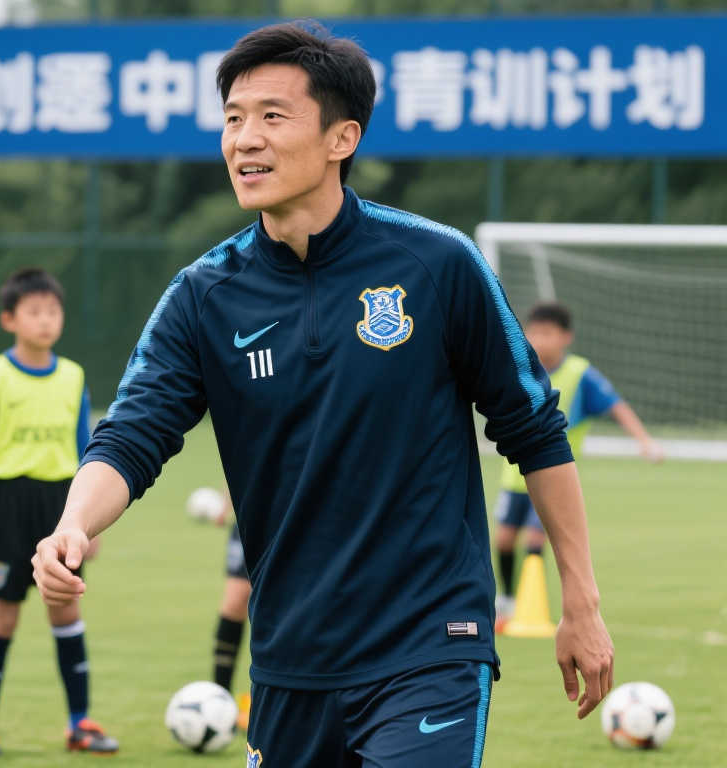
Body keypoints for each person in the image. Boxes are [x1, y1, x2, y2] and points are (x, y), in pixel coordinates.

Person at [32, 22, 614, 767]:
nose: (245, 139)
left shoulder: (438, 265)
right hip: (289, 660)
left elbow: (534, 429)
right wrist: (73, 525)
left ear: (343, 137)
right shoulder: (203, 296)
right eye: (233, 118)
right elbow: (132, 434)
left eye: (273, 116)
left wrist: (580, 602)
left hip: (429, 644)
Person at [0, 268, 117, 757]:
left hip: (60, 506)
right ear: (10, 319)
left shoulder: (73, 377)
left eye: (53, 311)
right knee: (3, 616)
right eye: (34, 312)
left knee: (66, 610)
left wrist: (88, 521)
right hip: (8, 504)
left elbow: (88, 451)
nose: (46, 320)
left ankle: (80, 723)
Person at [494, 301, 662, 627]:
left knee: (535, 539)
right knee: (503, 539)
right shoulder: (519, 367)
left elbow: (616, 406)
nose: (539, 340)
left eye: (547, 333)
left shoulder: (580, 374)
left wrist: (643, 440)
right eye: (533, 332)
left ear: (566, 337)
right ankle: (508, 601)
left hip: (551, 478)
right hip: (512, 477)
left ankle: (532, 608)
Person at [210, 493, 252, 731]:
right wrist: (226, 502)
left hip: (300, 512)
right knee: (235, 601)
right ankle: (220, 703)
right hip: (251, 512)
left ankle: (262, 700)